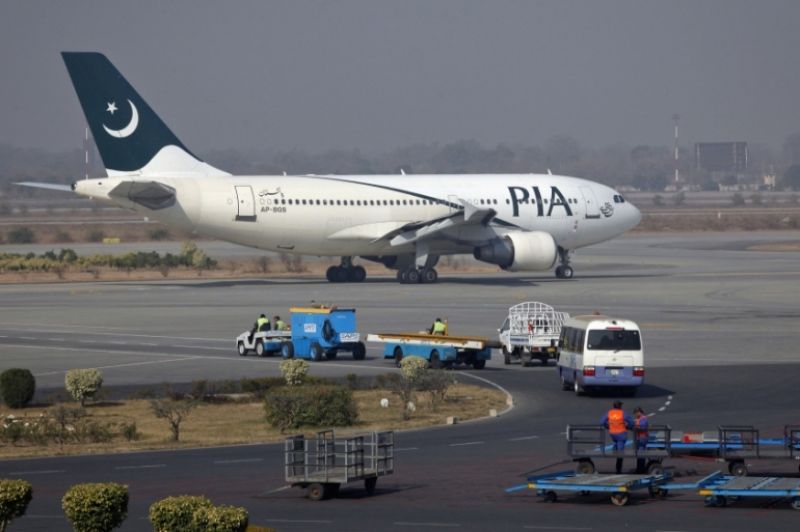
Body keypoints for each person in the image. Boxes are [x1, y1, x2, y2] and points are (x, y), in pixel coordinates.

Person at [600, 400, 633, 474]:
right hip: (621, 435)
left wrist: (608, 426)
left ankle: (615, 448)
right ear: (620, 406)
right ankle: (618, 469)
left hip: (613, 434)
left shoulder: (609, 413)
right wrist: (629, 426)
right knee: (621, 453)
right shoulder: (623, 413)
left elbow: (602, 421)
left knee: (617, 444)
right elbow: (631, 422)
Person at [633, 407, 649, 473]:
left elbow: (642, 427)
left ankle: (641, 469)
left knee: (641, 453)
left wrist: (636, 426)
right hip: (639, 438)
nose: (635, 415)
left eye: (636, 413)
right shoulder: (639, 419)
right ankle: (639, 468)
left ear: (639, 412)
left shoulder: (643, 419)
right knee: (639, 454)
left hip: (642, 438)